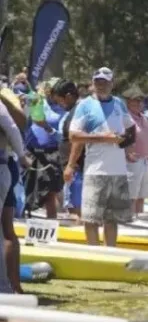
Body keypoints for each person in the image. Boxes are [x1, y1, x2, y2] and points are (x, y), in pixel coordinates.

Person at [67, 67, 134, 247]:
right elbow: (73, 136)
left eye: (104, 82)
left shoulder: (119, 103)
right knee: (91, 218)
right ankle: (93, 251)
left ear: (112, 84)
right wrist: (103, 138)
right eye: (97, 82)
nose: (101, 85)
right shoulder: (85, 105)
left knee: (112, 219)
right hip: (95, 170)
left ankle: (110, 253)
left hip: (118, 170)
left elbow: (131, 128)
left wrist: (125, 142)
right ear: (93, 83)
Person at [23, 81, 66, 218]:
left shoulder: (64, 109)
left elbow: (63, 137)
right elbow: (23, 115)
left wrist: (48, 127)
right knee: (27, 189)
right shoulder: (37, 102)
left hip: (51, 153)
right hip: (31, 152)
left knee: (49, 192)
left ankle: (51, 223)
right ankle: (25, 220)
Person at [1, 96, 27, 293]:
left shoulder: (5, 96)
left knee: (6, 227)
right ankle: (11, 286)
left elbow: (15, 125)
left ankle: (12, 286)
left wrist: (22, 156)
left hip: (6, 163)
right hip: (6, 164)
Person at [51, 81, 82, 219]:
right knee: (74, 208)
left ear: (69, 96)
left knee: (77, 210)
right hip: (74, 168)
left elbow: (77, 140)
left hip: (76, 168)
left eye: (60, 102)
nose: (59, 106)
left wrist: (70, 165)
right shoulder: (74, 111)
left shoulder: (78, 112)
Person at [122, 87, 148, 214]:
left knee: (142, 195)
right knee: (131, 196)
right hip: (132, 161)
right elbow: (120, 138)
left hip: (145, 160)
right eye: (136, 101)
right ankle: (129, 220)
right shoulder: (125, 118)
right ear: (128, 102)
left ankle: (140, 221)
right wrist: (126, 153)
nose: (139, 104)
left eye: (141, 101)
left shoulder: (144, 118)